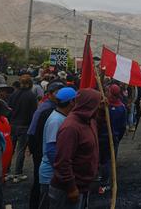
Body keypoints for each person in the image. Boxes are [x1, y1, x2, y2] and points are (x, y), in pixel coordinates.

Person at [49, 89, 100, 209]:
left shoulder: (89, 121)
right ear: (89, 105)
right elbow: (62, 162)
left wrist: (102, 111)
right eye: (97, 104)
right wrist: (71, 187)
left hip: (83, 186)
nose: (98, 107)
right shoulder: (70, 127)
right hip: (68, 189)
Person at [28, 81, 64, 209]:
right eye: (57, 92)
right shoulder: (48, 109)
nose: (60, 95)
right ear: (49, 94)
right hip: (40, 147)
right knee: (40, 182)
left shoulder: (48, 106)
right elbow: (35, 132)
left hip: (39, 145)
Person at [39, 87, 77, 208]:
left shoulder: (61, 116)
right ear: (71, 102)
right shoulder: (56, 120)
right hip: (50, 176)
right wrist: (63, 172)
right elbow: (51, 150)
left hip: (56, 175)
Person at [7, 73, 38, 183]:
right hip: (24, 126)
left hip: (12, 125)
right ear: (30, 84)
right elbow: (33, 113)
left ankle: (6, 171)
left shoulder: (13, 94)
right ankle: (18, 173)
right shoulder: (31, 96)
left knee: (10, 149)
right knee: (20, 150)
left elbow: (8, 110)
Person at [98, 84, 127, 194]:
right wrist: (118, 138)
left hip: (106, 137)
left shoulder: (106, 106)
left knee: (105, 161)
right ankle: (104, 181)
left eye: (108, 91)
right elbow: (123, 127)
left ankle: (104, 183)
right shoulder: (119, 107)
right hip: (110, 138)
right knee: (107, 160)